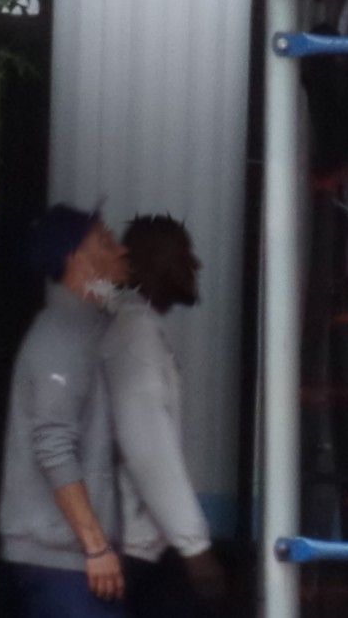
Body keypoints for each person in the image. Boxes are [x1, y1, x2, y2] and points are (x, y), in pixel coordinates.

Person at [0, 203, 130, 616]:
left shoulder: (90, 327)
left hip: (69, 557)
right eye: (106, 242)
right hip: (61, 559)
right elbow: (52, 442)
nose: (121, 251)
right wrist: (94, 545)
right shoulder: (63, 335)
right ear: (77, 259)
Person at [103, 216, 223, 618]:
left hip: (140, 545)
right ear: (154, 263)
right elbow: (148, 449)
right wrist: (195, 547)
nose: (196, 265)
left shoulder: (133, 326)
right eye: (184, 255)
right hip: (134, 550)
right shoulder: (135, 334)